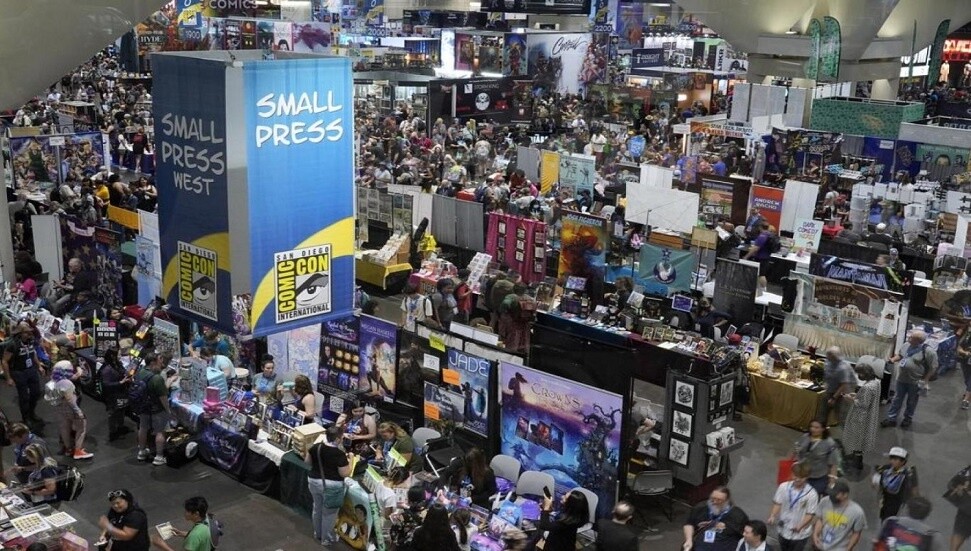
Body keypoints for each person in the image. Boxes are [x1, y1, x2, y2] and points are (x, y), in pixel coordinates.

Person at [882, 330, 937, 429]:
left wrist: (925, 380)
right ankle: (891, 418)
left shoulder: (929, 352)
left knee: (912, 401)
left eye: (912, 338)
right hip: (901, 378)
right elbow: (900, 355)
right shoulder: (906, 345)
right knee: (897, 399)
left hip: (915, 381)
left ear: (919, 341)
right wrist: (893, 360)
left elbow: (933, 367)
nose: (909, 338)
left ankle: (907, 418)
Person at [306, 426, 351, 546]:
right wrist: (350, 460)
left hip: (314, 481)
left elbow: (307, 462)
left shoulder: (316, 447)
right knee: (329, 514)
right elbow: (345, 473)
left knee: (317, 508)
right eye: (342, 437)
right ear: (337, 439)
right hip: (332, 486)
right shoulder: (339, 454)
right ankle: (326, 539)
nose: (342, 439)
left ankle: (318, 533)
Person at [767, 462, 818, 551]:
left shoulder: (812, 494)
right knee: (783, 548)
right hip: (783, 529)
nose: (797, 479)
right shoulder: (783, 487)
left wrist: (800, 526)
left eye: (801, 477)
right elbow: (778, 503)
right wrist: (772, 516)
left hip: (800, 533)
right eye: (795, 475)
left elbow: (810, 514)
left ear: (807, 477)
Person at [840, 363, 881, 472]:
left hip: (860, 417)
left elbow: (863, 404)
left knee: (856, 438)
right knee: (861, 439)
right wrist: (857, 395)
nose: (859, 376)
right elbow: (868, 398)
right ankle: (857, 458)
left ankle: (857, 462)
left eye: (860, 373)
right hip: (869, 416)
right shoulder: (876, 382)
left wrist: (851, 399)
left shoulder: (867, 387)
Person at [134, 351, 173, 466]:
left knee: (143, 428)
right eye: (158, 361)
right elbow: (163, 397)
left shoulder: (140, 372)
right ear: (152, 363)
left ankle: (141, 452)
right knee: (160, 431)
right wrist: (168, 410)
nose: (160, 363)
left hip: (143, 406)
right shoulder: (157, 378)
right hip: (157, 409)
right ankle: (159, 457)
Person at [3, 322, 46, 424]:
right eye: (26, 332)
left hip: (31, 369)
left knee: (36, 393)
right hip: (19, 372)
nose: (29, 334)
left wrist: (39, 366)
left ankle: (31, 413)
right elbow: (4, 361)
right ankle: (25, 418)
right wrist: (8, 378)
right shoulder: (13, 345)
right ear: (20, 333)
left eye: (29, 332)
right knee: (24, 397)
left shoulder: (30, 341)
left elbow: (33, 353)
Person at [50, 360, 93, 460]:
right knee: (81, 427)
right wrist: (78, 411)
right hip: (70, 408)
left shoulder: (53, 382)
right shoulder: (67, 383)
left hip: (59, 408)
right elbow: (70, 400)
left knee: (65, 428)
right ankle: (78, 451)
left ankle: (68, 449)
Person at [683, 486, 748, 551]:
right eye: (713, 498)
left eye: (719, 500)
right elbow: (689, 524)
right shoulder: (701, 508)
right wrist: (689, 539)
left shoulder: (738, 515)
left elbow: (746, 536)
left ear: (727, 501)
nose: (715, 502)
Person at [873, 496, 945, 551]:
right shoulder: (933, 536)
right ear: (927, 514)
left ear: (908, 509)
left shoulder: (891, 521)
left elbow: (877, 544)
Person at [812, 479, 866, 551]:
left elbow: (856, 533)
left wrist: (848, 549)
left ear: (845, 495)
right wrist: (815, 534)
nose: (831, 496)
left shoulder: (857, 512)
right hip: (821, 546)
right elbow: (820, 519)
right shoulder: (825, 501)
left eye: (835, 494)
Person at [792, 420, 840, 497]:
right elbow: (795, 451)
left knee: (812, 497)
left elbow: (834, 464)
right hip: (801, 474)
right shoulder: (805, 437)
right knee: (797, 495)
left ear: (823, 429)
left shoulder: (829, 443)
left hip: (818, 477)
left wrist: (832, 482)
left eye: (816, 427)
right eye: (811, 426)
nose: (813, 429)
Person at [873, 447, 919, 521]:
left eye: (895, 459)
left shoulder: (909, 473)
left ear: (903, 461)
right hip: (886, 504)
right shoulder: (885, 469)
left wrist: (915, 502)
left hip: (901, 505)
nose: (892, 461)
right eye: (891, 458)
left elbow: (914, 489)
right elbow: (876, 484)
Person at [100, 347, 132, 441]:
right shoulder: (106, 369)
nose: (120, 356)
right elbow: (106, 384)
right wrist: (120, 383)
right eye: (119, 354)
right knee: (113, 413)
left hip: (121, 393)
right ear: (112, 356)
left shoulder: (118, 364)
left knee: (121, 410)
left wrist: (127, 374)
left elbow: (123, 371)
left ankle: (120, 427)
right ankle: (113, 432)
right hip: (113, 395)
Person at [818, 346, 855, 425]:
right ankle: (821, 430)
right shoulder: (828, 362)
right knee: (823, 414)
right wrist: (825, 384)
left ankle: (847, 431)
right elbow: (827, 374)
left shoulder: (842, 368)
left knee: (841, 417)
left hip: (842, 393)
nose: (828, 357)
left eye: (831, 356)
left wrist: (833, 398)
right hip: (830, 390)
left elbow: (844, 385)